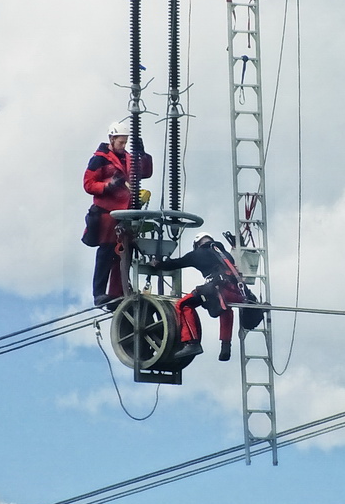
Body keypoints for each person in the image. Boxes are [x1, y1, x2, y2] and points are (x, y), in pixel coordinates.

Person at [82, 121, 153, 308]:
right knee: (105, 253)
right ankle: (99, 294)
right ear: (111, 139)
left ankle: (116, 293)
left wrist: (143, 154)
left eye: (125, 142)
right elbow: (88, 184)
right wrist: (108, 186)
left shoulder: (128, 158)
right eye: (121, 142)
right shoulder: (100, 159)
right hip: (108, 214)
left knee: (122, 255)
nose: (123, 146)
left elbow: (145, 172)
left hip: (125, 215)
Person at [151, 232, 246, 362]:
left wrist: (158, 264)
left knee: (183, 304)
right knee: (225, 308)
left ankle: (192, 343)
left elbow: (176, 263)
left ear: (197, 244)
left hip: (217, 288)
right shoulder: (225, 254)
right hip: (235, 292)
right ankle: (225, 347)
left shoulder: (197, 254)